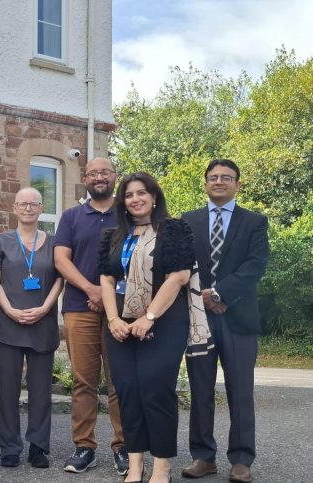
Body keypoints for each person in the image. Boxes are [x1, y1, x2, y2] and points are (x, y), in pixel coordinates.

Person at [98, 172, 195, 483]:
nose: (135, 199)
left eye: (141, 193)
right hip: (120, 325)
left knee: (156, 389)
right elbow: (107, 279)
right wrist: (113, 319)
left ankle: (162, 466)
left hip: (164, 322)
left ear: (154, 197)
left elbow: (179, 276)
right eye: (128, 195)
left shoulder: (174, 229)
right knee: (127, 391)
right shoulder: (113, 235)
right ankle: (136, 464)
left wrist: (148, 317)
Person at [180, 159, 269, 483]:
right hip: (198, 318)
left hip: (239, 317)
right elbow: (181, 263)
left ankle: (242, 460)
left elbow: (256, 264)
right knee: (200, 389)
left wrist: (219, 294)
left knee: (241, 391)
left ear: (237, 184)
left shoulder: (254, 221)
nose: (219, 181)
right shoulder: (188, 220)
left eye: (226, 177)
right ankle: (203, 457)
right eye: (213, 177)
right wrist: (202, 297)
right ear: (205, 183)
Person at [53, 157, 127, 475]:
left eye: (105, 172)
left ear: (115, 177)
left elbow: (136, 258)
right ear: (85, 179)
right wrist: (92, 290)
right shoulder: (71, 217)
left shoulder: (127, 213)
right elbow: (61, 260)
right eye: (93, 173)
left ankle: (124, 447)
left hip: (121, 310)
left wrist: (108, 295)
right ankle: (84, 447)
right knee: (83, 381)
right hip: (79, 306)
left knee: (120, 380)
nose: (99, 177)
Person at [0, 188, 63, 469]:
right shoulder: (1, 241)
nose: (28, 208)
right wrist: (8, 309)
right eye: (23, 204)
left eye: (34, 204)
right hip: (7, 324)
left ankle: (38, 447)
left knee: (41, 392)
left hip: (42, 324)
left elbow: (60, 279)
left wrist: (44, 308)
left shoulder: (54, 243)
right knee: (7, 391)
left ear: (41, 208)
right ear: (14, 208)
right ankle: (10, 448)